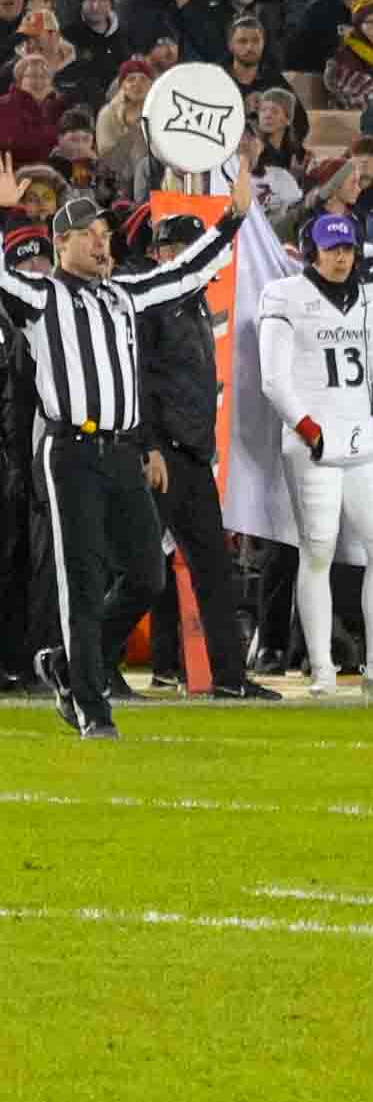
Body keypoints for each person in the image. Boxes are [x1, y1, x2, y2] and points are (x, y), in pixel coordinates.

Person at [19, 139, 256, 739]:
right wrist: (7, 216)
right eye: (87, 232)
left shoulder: (125, 295)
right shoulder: (41, 297)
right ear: (60, 244)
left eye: (103, 231)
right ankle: (92, 707)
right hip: (71, 450)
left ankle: (70, 667)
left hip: (123, 449)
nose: (101, 240)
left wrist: (231, 218)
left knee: (146, 575)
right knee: (83, 575)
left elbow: (184, 271)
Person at [256, 209, 373, 696]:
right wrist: (309, 429)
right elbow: (273, 378)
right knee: (318, 551)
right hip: (315, 439)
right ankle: (323, 668)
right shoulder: (284, 295)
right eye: (332, 249)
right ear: (312, 251)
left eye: (347, 247)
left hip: (363, 436)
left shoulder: (370, 295)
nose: (341, 256)